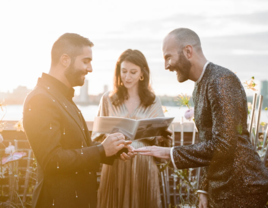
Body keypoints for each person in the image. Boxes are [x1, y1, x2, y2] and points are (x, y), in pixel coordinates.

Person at [135, 28, 268, 208]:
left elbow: (223, 144)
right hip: (220, 189)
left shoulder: (221, 80)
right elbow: (208, 141)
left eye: (168, 57)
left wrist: (171, 153)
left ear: (188, 51)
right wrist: (204, 189)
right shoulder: (199, 87)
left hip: (243, 189)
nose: (166, 65)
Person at [23, 33, 133, 208]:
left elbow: (78, 147)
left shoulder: (63, 97)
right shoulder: (41, 99)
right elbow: (52, 160)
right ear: (65, 60)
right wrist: (101, 149)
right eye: (85, 61)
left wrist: (112, 151)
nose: (90, 68)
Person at [92, 49, 171, 208]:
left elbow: (163, 137)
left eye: (133, 72)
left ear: (142, 73)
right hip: (115, 163)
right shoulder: (108, 99)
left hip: (143, 164)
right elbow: (97, 135)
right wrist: (116, 148)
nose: (127, 77)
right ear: (118, 71)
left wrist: (161, 136)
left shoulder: (153, 100)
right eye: (124, 71)